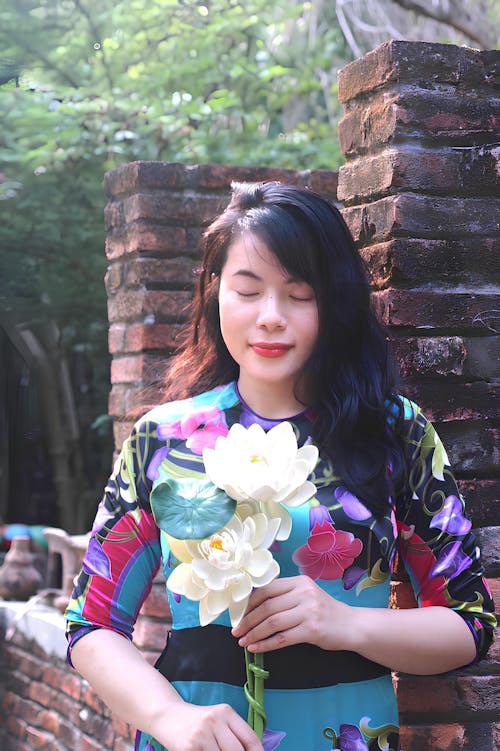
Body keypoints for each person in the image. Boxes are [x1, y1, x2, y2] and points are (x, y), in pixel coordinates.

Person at [65, 182, 495, 751]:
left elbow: (469, 623)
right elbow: (90, 625)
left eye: (299, 294)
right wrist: (169, 718)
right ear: (215, 294)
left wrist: (344, 623)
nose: (270, 318)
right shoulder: (163, 440)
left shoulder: (395, 431)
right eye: (248, 291)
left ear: (335, 302)